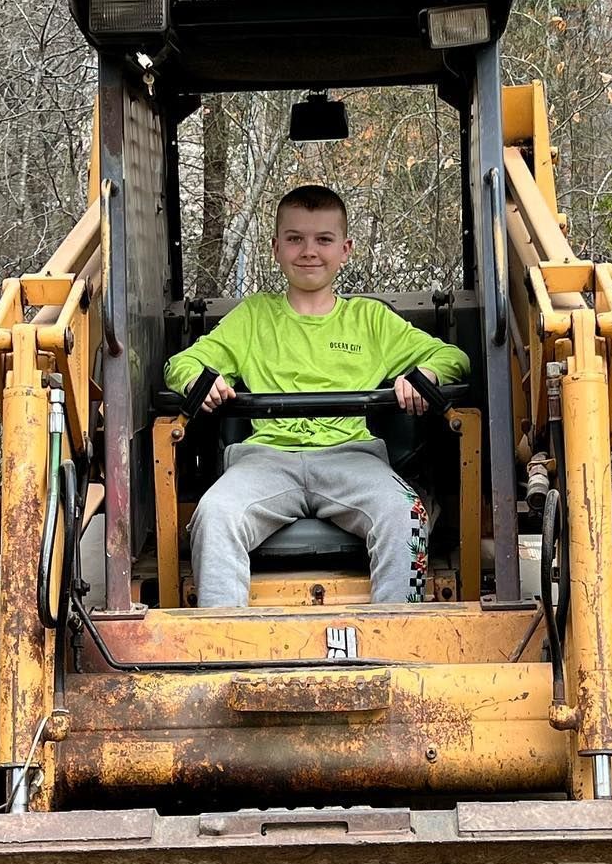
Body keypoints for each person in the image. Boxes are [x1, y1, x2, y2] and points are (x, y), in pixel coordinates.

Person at [164, 184, 469, 607]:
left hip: (352, 459)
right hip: (267, 461)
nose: (309, 251)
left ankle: (397, 641)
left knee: (408, 513)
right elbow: (182, 364)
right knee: (215, 514)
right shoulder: (253, 317)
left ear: (345, 249)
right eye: (295, 239)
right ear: (275, 247)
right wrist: (202, 380)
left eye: (323, 240)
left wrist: (426, 373)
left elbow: (452, 357)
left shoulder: (371, 320)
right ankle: (224, 650)